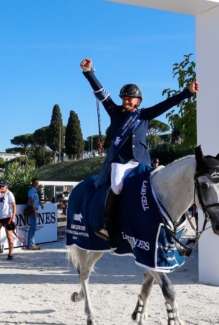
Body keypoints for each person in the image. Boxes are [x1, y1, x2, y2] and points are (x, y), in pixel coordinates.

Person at [80, 57, 199, 248]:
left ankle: (170, 223)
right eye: (124, 98)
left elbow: (166, 104)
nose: (126, 101)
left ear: (138, 101)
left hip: (143, 163)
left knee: (157, 187)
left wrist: (187, 92)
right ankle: (107, 224)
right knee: (117, 187)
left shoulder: (143, 115)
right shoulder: (114, 111)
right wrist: (89, 72)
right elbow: (100, 92)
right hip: (121, 162)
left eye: (129, 99)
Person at [0, 179, 17, 260]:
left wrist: (13, 217)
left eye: (2, 186)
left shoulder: (9, 194)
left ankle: (10, 253)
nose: (1, 187)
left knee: (9, 235)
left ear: (6, 186)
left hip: (7, 217)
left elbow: (14, 205)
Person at [26, 178, 45, 250]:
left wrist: (40, 204)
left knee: (33, 227)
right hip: (32, 209)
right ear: (33, 183)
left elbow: (36, 200)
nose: (37, 184)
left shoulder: (35, 191)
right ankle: (31, 245)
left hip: (34, 209)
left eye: (37, 183)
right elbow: (31, 201)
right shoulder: (31, 191)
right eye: (35, 183)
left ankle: (31, 244)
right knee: (33, 227)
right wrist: (35, 211)